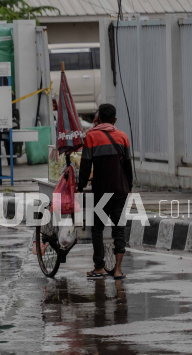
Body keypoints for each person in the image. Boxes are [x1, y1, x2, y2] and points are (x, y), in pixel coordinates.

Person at [77, 103, 132, 280]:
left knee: (98, 229)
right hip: (120, 190)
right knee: (119, 229)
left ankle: (99, 267)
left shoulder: (91, 136)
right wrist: (128, 187)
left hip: (101, 191)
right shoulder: (123, 137)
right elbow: (128, 166)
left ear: (98, 119)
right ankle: (117, 270)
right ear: (115, 120)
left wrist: (80, 185)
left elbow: (85, 165)